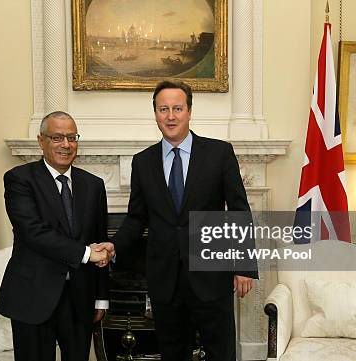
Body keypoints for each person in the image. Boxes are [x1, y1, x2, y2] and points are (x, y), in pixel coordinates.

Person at [96, 80, 258, 361]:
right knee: (172, 354)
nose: (170, 116)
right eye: (163, 109)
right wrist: (114, 246)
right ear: (156, 114)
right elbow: (136, 218)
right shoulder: (142, 162)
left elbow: (239, 210)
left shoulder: (219, 153)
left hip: (212, 276)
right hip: (165, 280)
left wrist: (243, 266)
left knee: (221, 353)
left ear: (189, 111)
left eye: (177, 108)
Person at [0, 111, 111, 361]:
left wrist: (101, 297)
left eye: (72, 137)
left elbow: (99, 236)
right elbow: (33, 233)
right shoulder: (19, 179)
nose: (66, 145)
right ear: (41, 141)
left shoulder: (94, 185)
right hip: (33, 297)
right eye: (57, 137)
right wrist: (87, 254)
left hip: (80, 299)